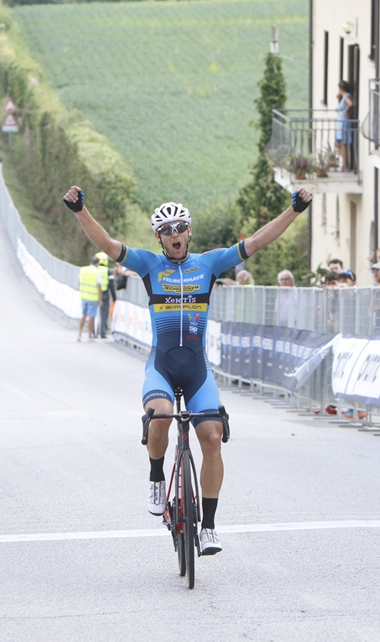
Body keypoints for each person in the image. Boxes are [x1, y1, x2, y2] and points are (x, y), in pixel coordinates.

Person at [62, 184, 312, 556]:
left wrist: (294, 209)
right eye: (166, 230)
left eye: (180, 227)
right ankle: (156, 477)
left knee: (211, 437)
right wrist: (80, 209)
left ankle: (208, 526)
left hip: (196, 368)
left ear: (189, 230)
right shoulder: (149, 265)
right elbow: (109, 245)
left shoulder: (208, 265)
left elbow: (257, 242)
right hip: (162, 365)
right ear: (158, 237)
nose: (174, 234)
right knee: (160, 415)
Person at [77, 256, 103, 342]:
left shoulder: (83, 270)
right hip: (93, 297)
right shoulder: (97, 272)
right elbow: (99, 286)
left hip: (84, 295)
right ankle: (89, 335)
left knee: (83, 315)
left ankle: (79, 334)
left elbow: (79, 282)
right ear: (97, 263)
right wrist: (100, 298)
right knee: (91, 317)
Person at [335, 81, 354, 170]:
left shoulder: (346, 96)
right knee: (339, 143)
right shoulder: (344, 97)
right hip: (341, 122)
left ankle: (345, 165)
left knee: (343, 143)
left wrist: (346, 110)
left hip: (343, 122)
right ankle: (343, 163)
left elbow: (350, 103)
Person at [95, 252, 112, 339]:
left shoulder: (95, 269)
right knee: (104, 314)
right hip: (105, 294)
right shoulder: (107, 270)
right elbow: (111, 284)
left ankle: (94, 332)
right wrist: (114, 297)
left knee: (94, 314)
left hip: (95, 294)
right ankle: (103, 333)